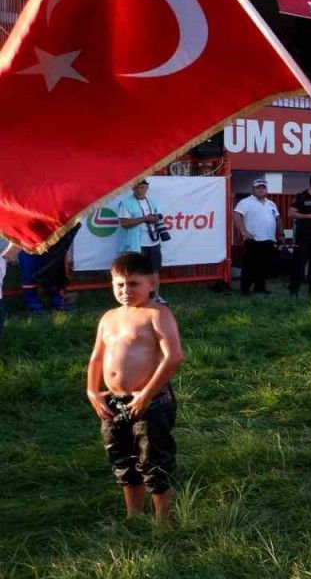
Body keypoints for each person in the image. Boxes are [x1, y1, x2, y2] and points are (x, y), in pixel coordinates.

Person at [85, 252, 183, 523]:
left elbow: (174, 357)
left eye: (133, 284)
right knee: (122, 458)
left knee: (153, 459)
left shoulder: (157, 314)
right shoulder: (109, 317)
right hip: (114, 401)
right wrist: (92, 392)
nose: (125, 290)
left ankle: (163, 521)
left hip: (151, 401)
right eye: (119, 284)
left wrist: (146, 395)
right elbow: (96, 358)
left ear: (152, 282)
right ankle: (134, 516)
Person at [115, 179, 165, 300]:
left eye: (142, 187)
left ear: (147, 187)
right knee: (135, 273)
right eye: (136, 188)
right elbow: (124, 223)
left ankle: (155, 296)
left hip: (153, 242)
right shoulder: (125, 203)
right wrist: (145, 218)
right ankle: (136, 297)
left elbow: (157, 217)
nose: (139, 190)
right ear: (132, 188)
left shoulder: (152, 201)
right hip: (135, 245)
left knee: (154, 270)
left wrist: (155, 219)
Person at [233, 179, 282, 295]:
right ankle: (245, 290)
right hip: (253, 240)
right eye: (258, 188)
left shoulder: (271, 204)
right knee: (249, 267)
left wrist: (281, 234)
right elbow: (237, 216)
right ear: (253, 189)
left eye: (263, 188)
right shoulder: (245, 202)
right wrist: (243, 232)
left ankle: (260, 288)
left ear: (266, 190)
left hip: (269, 239)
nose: (261, 190)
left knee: (264, 266)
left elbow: (277, 219)